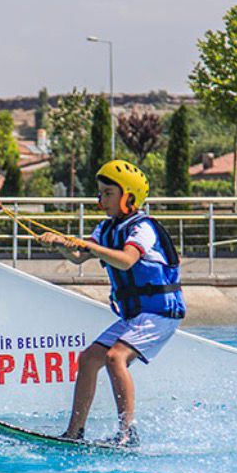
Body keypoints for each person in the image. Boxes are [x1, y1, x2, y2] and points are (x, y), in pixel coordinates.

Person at [39, 160, 185, 447]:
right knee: (88, 359)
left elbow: (127, 259)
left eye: (108, 194)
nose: (100, 200)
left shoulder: (143, 228)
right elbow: (79, 257)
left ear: (128, 197)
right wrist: (58, 243)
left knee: (114, 358)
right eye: (100, 193)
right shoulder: (105, 230)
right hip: (135, 315)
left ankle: (128, 433)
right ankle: (74, 432)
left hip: (160, 312)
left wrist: (90, 247)